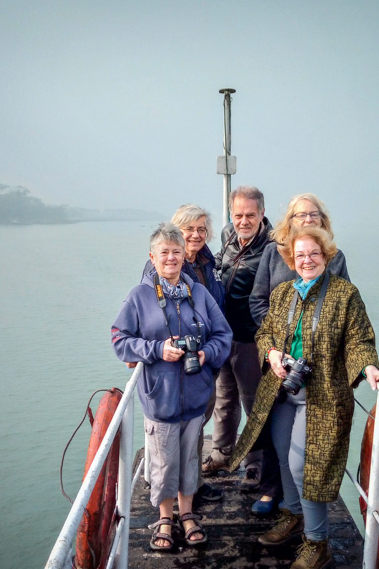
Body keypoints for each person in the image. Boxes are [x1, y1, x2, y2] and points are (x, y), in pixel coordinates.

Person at [229, 226, 379, 569]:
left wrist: (368, 368)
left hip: (323, 399)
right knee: (284, 459)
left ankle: (318, 543)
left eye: (313, 254)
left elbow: (358, 340)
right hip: (283, 391)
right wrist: (273, 354)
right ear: (291, 259)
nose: (306, 260)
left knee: (306, 468)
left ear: (326, 256)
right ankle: (292, 516)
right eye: (300, 255)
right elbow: (266, 332)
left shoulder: (345, 295)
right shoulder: (284, 294)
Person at [111, 223, 232, 551]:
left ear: (184, 257)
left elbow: (224, 335)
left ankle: (187, 513)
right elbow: (120, 339)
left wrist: (206, 355)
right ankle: (165, 518)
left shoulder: (200, 294)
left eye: (176, 252)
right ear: (152, 256)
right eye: (164, 252)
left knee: (190, 459)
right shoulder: (140, 296)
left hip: (195, 395)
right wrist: (155, 351)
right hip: (160, 398)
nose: (171, 258)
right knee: (164, 462)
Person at [247, 193, 351, 515]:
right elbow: (258, 301)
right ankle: (280, 500)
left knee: (300, 455)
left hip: (317, 373)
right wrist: (278, 340)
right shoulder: (273, 254)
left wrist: (365, 367)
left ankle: (311, 533)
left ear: (323, 220)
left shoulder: (336, 258)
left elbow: (346, 314)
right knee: (278, 438)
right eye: (299, 214)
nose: (307, 219)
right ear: (288, 221)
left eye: (313, 214)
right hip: (279, 362)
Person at [138, 205, 225, 505]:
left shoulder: (206, 261)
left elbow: (216, 307)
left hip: (202, 361)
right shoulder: (160, 270)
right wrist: (151, 350)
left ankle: (193, 485)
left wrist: (211, 351)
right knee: (170, 436)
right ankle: (171, 499)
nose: (196, 234)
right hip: (170, 368)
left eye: (202, 229)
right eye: (189, 229)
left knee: (196, 425)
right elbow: (145, 318)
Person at [202, 186, 275, 492]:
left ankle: (255, 463)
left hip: (251, 338)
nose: (243, 221)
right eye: (238, 214)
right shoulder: (228, 235)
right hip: (224, 336)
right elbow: (219, 263)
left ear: (261, 213)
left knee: (252, 403)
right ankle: (221, 453)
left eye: (250, 215)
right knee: (223, 399)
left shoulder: (273, 247)